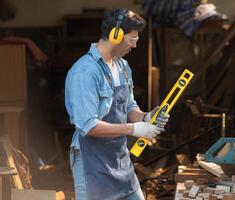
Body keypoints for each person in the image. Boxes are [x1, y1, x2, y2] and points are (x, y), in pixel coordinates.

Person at [65, 8, 169, 200]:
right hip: (92, 164)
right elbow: (88, 125)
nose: (135, 46)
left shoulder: (122, 66)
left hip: (120, 161)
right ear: (116, 35)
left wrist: (145, 117)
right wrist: (134, 129)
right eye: (133, 39)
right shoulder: (85, 72)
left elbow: (129, 107)